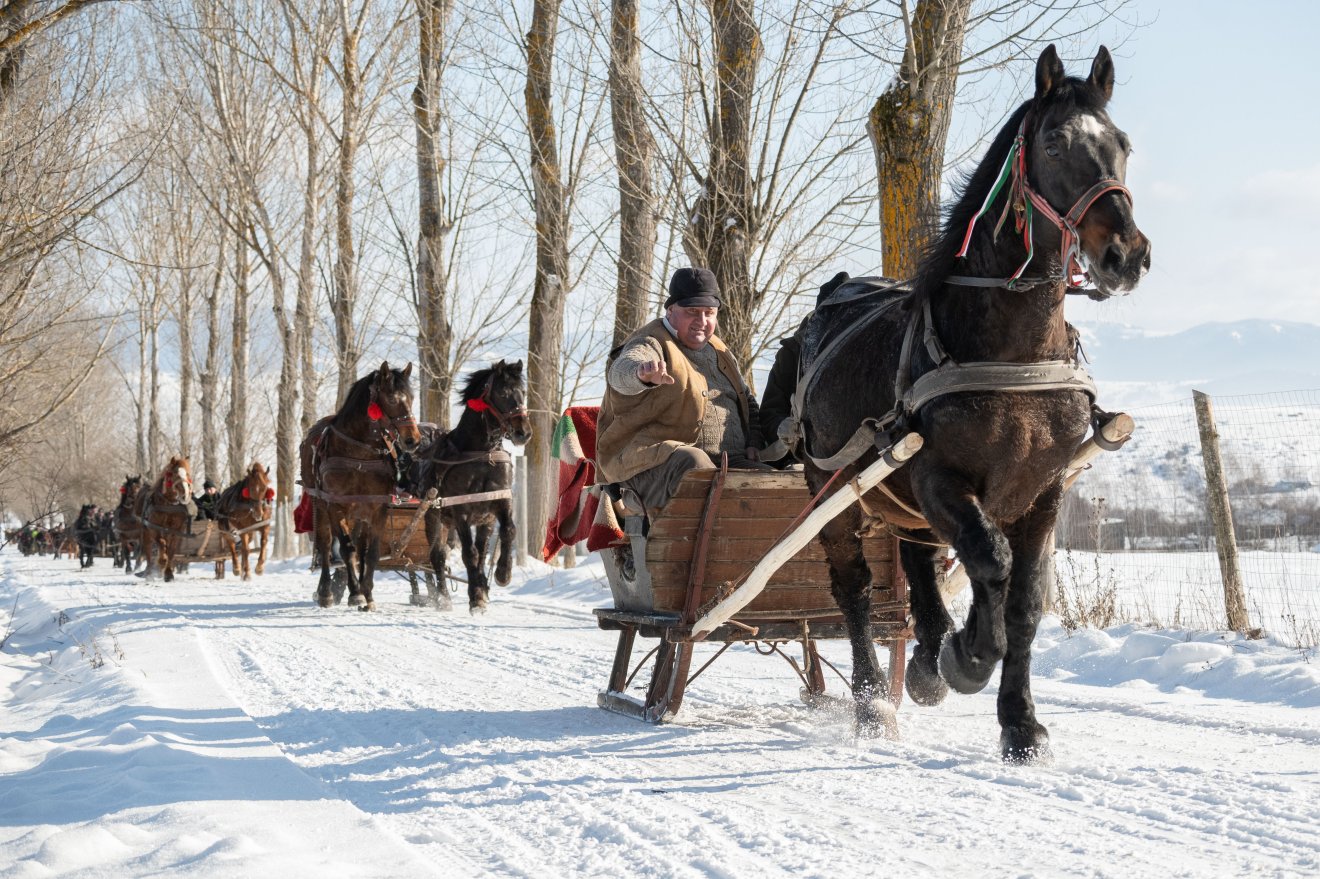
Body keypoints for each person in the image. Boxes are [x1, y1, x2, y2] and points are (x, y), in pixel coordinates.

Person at [597, 266, 770, 528]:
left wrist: (754, 441)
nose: (702, 320)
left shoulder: (721, 352)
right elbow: (621, 372)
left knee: (781, 486)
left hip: (728, 462)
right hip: (650, 465)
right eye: (692, 312)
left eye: (709, 313)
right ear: (671, 311)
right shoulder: (651, 342)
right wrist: (641, 375)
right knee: (695, 466)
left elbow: (747, 400)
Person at [73, 504, 99, 568]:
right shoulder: (83, 518)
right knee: (82, 549)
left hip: (90, 535)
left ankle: (89, 560)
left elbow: (95, 526)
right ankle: (83, 561)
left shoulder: (92, 518)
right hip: (82, 534)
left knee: (90, 549)